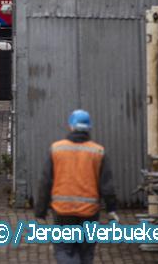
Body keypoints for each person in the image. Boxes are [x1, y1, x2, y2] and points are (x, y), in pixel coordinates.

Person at [35, 109, 118, 264]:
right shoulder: (98, 151)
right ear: (89, 127)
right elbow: (107, 186)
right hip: (89, 212)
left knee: (64, 249)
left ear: (71, 126)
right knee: (86, 252)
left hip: (63, 211)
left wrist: (41, 210)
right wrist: (112, 209)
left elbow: (46, 182)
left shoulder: (57, 149)